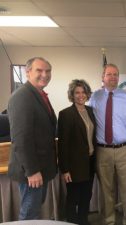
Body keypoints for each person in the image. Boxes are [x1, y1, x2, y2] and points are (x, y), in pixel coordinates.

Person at [89, 63, 126, 225]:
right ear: (102, 77)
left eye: (115, 74)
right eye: (109, 74)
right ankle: (109, 221)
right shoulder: (94, 97)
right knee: (106, 189)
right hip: (102, 150)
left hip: (125, 150)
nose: (113, 77)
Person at [7, 57, 57, 220]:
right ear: (27, 72)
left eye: (48, 71)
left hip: (41, 168)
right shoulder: (22, 96)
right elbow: (21, 139)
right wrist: (32, 171)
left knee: (34, 211)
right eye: (39, 70)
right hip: (32, 171)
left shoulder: (39, 94)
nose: (45, 74)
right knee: (29, 214)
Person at [57, 79, 96, 225]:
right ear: (72, 95)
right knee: (73, 197)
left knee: (87, 195)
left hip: (90, 162)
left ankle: (83, 221)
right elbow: (63, 144)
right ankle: (72, 222)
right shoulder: (66, 114)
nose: (81, 95)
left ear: (87, 94)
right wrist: (65, 169)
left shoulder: (91, 111)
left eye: (83, 92)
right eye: (77, 93)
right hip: (73, 165)